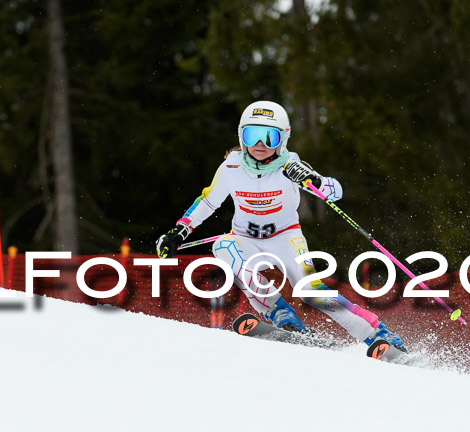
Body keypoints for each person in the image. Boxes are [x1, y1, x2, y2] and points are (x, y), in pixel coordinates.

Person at [156, 101, 406, 351]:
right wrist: (180, 231)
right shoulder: (231, 167)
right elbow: (207, 202)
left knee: (312, 292)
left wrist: (313, 179)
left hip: (286, 238)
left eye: (269, 137)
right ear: (241, 136)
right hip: (246, 239)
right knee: (224, 246)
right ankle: (282, 314)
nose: (260, 145)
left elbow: (335, 191)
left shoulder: (291, 166)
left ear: (283, 139)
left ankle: (377, 334)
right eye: (252, 135)